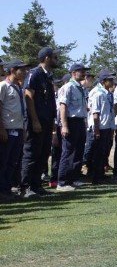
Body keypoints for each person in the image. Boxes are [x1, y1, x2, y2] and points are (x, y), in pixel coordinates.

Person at [20, 47, 58, 198]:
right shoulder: (34, 74)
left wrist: (53, 123)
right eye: (55, 57)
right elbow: (29, 96)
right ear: (47, 58)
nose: (57, 60)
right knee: (31, 154)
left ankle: (36, 185)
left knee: (43, 154)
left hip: (47, 121)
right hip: (37, 122)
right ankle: (25, 187)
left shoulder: (48, 76)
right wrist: (35, 120)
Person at [56, 62, 90, 192]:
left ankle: (73, 178)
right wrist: (64, 125)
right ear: (73, 73)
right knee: (68, 152)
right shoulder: (68, 87)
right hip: (71, 121)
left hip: (80, 121)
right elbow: (63, 107)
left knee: (78, 151)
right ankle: (62, 182)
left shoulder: (80, 88)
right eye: (81, 71)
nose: (84, 73)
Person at [0, 59, 30, 202]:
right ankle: (2, 191)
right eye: (21, 69)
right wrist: (2, 129)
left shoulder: (18, 88)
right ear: (12, 70)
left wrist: (23, 130)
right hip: (7, 129)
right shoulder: (3, 86)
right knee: (3, 162)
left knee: (13, 162)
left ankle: (7, 189)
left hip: (18, 129)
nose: (24, 72)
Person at [84, 69, 116, 184]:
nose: (113, 82)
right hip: (99, 127)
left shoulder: (107, 93)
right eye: (110, 80)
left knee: (103, 153)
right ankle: (95, 176)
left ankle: (100, 174)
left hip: (106, 127)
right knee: (97, 153)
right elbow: (95, 113)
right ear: (104, 81)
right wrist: (96, 130)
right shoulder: (98, 93)